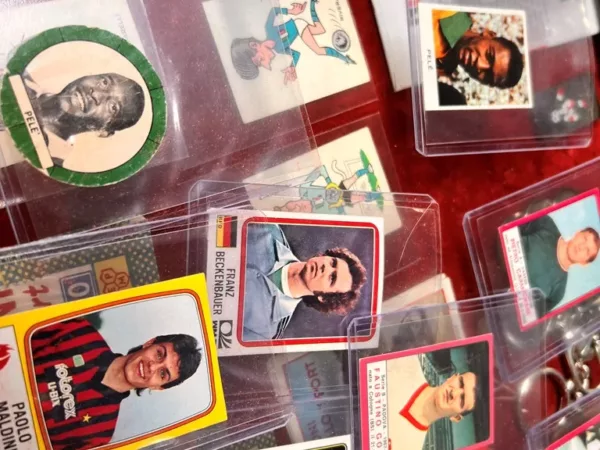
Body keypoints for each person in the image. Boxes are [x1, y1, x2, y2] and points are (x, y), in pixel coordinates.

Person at [31, 318, 202, 450]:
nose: (152, 367)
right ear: (150, 342)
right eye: (159, 354)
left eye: (163, 374)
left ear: (158, 387)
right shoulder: (79, 331)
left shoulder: (100, 434)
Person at [242, 222, 367, 341]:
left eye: (332, 278)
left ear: (323, 298)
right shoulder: (267, 229)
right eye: (332, 262)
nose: (325, 268)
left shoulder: (266, 330)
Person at [23, 73, 145, 166]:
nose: (96, 94)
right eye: (104, 82)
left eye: (113, 107)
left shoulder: (45, 164)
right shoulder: (18, 78)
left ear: (103, 132)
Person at [230, 0, 356, 85]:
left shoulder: (269, 30)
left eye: (260, 60)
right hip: (300, 28)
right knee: (320, 29)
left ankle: (345, 58)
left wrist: (291, 11)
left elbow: (274, 11)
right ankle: (312, 4)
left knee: (318, 50)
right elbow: (296, 54)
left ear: (254, 45)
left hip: (298, 26)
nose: (267, 64)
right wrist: (292, 66)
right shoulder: (279, 49)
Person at [387, 354, 484, 450]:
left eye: (462, 399)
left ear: (456, 417)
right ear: (452, 377)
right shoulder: (406, 362)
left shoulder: (411, 446)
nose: (454, 393)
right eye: (460, 383)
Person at [518, 216, 600, 315]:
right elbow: (509, 230)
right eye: (584, 238)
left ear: (584, 264)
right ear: (577, 233)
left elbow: (527, 316)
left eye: (587, 251)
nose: (581, 247)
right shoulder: (546, 223)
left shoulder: (558, 293)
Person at [433, 10, 524, 89]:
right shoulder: (446, 11)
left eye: (488, 75)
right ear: (489, 34)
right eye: (489, 55)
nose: (479, 64)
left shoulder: (444, 68)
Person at [274, 163, 380, 214]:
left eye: (297, 204)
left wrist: (329, 182)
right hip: (340, 201)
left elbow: (321, 169)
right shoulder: (318, 215)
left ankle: (367, 170)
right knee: (358, 197)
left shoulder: (304, 189)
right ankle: (375, 195)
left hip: (337, 190)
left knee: (352, 179)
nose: (301, 206)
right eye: (301, 210)